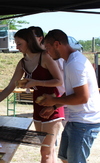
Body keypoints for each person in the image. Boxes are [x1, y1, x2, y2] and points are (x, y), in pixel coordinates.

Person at [0, 28, 64, 163]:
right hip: (38, 106)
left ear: (29, 42)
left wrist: (35, 82)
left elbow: (59, 81)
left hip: (52, 106)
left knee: (45, 151)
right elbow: (9, 87)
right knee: (48, 150)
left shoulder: (45, 56)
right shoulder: (22, 63)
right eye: (16, 44)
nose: (17, 47)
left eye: (19, 44)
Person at [38, 29, 100, 163]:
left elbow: (82, 97)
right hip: (76, 120)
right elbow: (72, 93)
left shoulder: (74, 64)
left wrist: (54, 100)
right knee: (65, 158)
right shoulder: (68, 61)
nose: (47, 52)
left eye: (48, 48)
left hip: (84, 122)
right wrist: (54, 105)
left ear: (57, 44)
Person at [29, 26, 68, 125]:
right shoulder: (35, 58)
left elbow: (62, 80)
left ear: (40, 38)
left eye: (30, 37)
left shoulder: (55, 55)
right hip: (51, 102)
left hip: (66, 101)